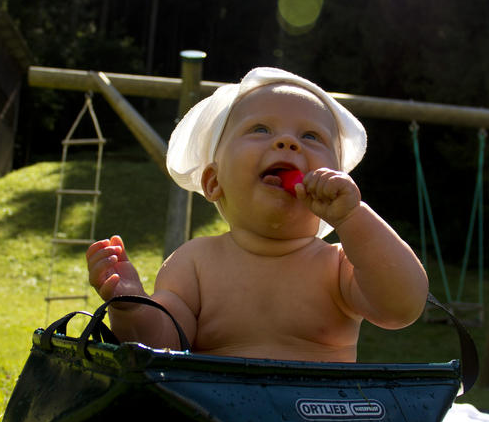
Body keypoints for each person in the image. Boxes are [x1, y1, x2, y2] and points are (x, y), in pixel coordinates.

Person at [86, 66, 428, 362]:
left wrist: (354, 218)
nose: (288, 143)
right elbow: (161, 346)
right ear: (214, 181)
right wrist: (131, 306)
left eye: (311, 136)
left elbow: (402, 307)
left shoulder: (339, 266)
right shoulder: (194, 264)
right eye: (261, 129)